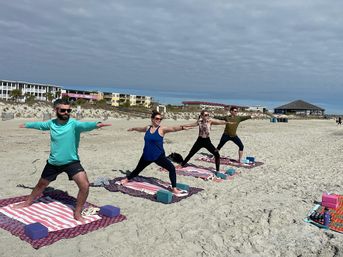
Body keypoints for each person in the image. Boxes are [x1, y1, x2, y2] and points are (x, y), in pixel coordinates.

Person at [15, 99, 111, 221]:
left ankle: (77, 212)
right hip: (54, 162)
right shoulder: (51, 124)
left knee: (85, 185)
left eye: (68, 110)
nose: (66, 112)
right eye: (63, 110)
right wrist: (27, 125)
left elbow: (84, 125)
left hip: (72, 161)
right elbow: (40, 125)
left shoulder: (74, 124)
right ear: (56, 110)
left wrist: (96, 124)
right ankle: (27, 202)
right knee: (41, 185)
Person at [120, 110, 191, 196]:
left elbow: (173, 129)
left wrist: (182, 128)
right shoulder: (147, 128)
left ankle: (174, 188)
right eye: (157, 118)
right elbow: (140, 129)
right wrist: (133, 128)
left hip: (158, 156)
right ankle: (127, 179)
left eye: (160, 119)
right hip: (146, 155)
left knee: (171, 168)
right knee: (137, 169)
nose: (159, 120)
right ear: (152, 119)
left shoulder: (161, 129)